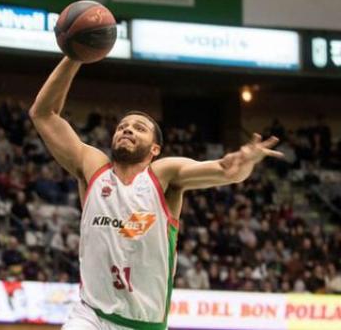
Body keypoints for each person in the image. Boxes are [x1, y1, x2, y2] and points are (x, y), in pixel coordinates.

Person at [29, 57, 284, 330]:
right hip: (90, 316)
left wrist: (242, 163)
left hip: (143, 324)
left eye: (140, 128)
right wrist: (74, 57)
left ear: (155, 149)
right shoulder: (93, 168)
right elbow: (43, 114)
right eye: (123, 126)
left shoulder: (163, 175)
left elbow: (226, 171)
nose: (127, 129)